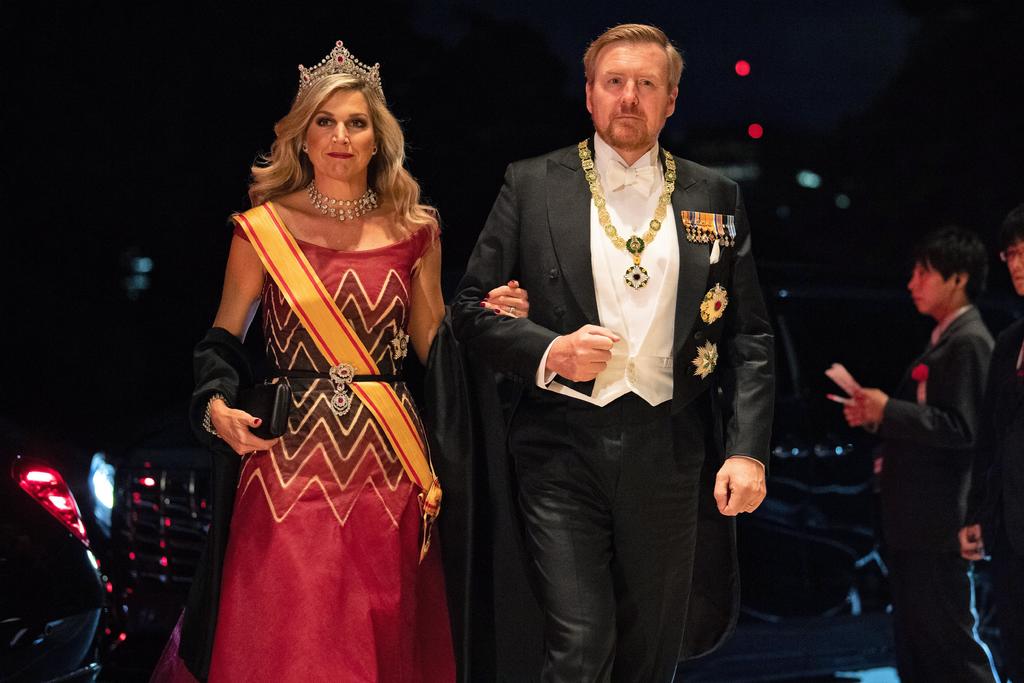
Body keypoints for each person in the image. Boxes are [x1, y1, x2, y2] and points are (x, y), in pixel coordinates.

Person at [150, 40, 528, 682]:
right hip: (285, 469)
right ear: (301, 136)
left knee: (376, 644)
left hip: (390, 469)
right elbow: (222, 340)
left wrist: (490, 321)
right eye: (324, 122)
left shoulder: (417, 230)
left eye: (356, 123)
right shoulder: (261, 230)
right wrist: (215, 407)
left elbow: (437, 349)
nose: (340, 137)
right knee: (294, 646)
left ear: (379, 139)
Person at [451, 23, 774, 682]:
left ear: (671, 99)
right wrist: (549, 350)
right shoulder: (532, 183)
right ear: (590, 95)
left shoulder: (715, 195)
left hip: (670, 446)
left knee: (649, 654)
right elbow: (469, 309)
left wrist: (747, 450)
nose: (629, 97)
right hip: (559, 446)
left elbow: (749, 335)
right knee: (579, 644)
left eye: (646, 83)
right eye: (614, 82)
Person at [843, 226, 999, 682]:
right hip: (919, 519)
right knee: (919, 643)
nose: (912, 283)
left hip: (939, 520)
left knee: (948, 643)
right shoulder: (946, 338)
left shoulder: (969, 341)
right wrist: (878, 418)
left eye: (924, 273)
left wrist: (888, 410)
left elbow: (965, 429)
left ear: (958, 278)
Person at [960, 203, 1024, 682]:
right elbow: (990, 438)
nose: (1017, 264)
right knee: (1015, 646)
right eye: (1011, 254)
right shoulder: (1009, 340)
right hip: (1009, 526)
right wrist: (978, 513)